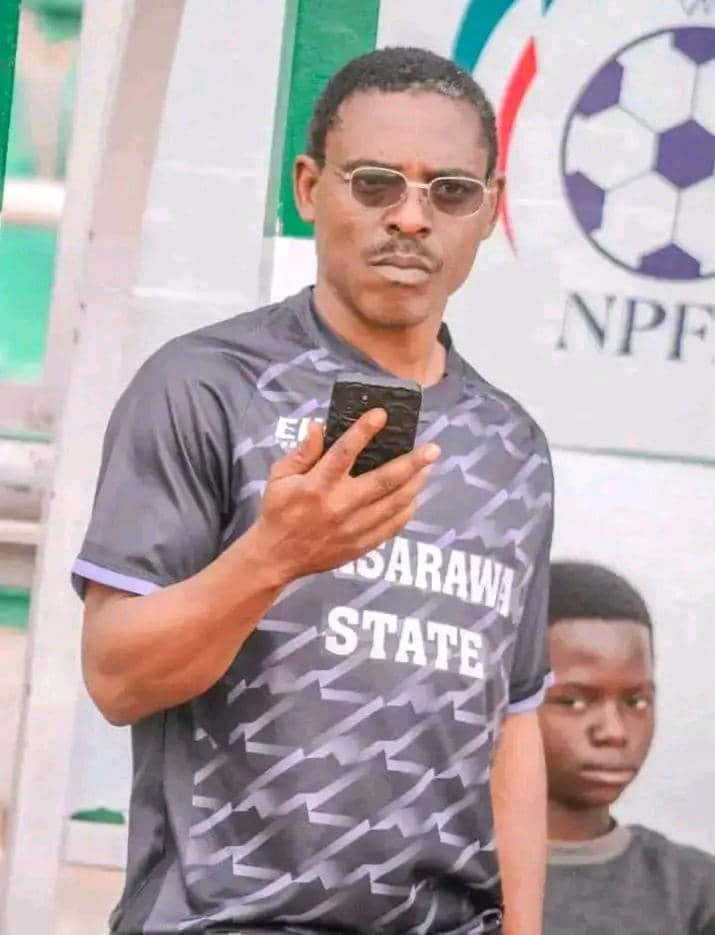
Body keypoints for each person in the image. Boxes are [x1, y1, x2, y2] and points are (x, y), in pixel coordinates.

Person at [74, 47, 554, 934]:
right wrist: (273, 555)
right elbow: (115, 677)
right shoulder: (206, 386)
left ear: (490, 208)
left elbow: (512, 724)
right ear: (308, 187)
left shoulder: (511, 443)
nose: (409, 217)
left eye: (449, 191)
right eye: (374, 182)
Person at [540, 561, 715, 934]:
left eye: (635, 701)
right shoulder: (442, 883)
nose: (614, 732)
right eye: (573, 701)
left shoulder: (695, 893)